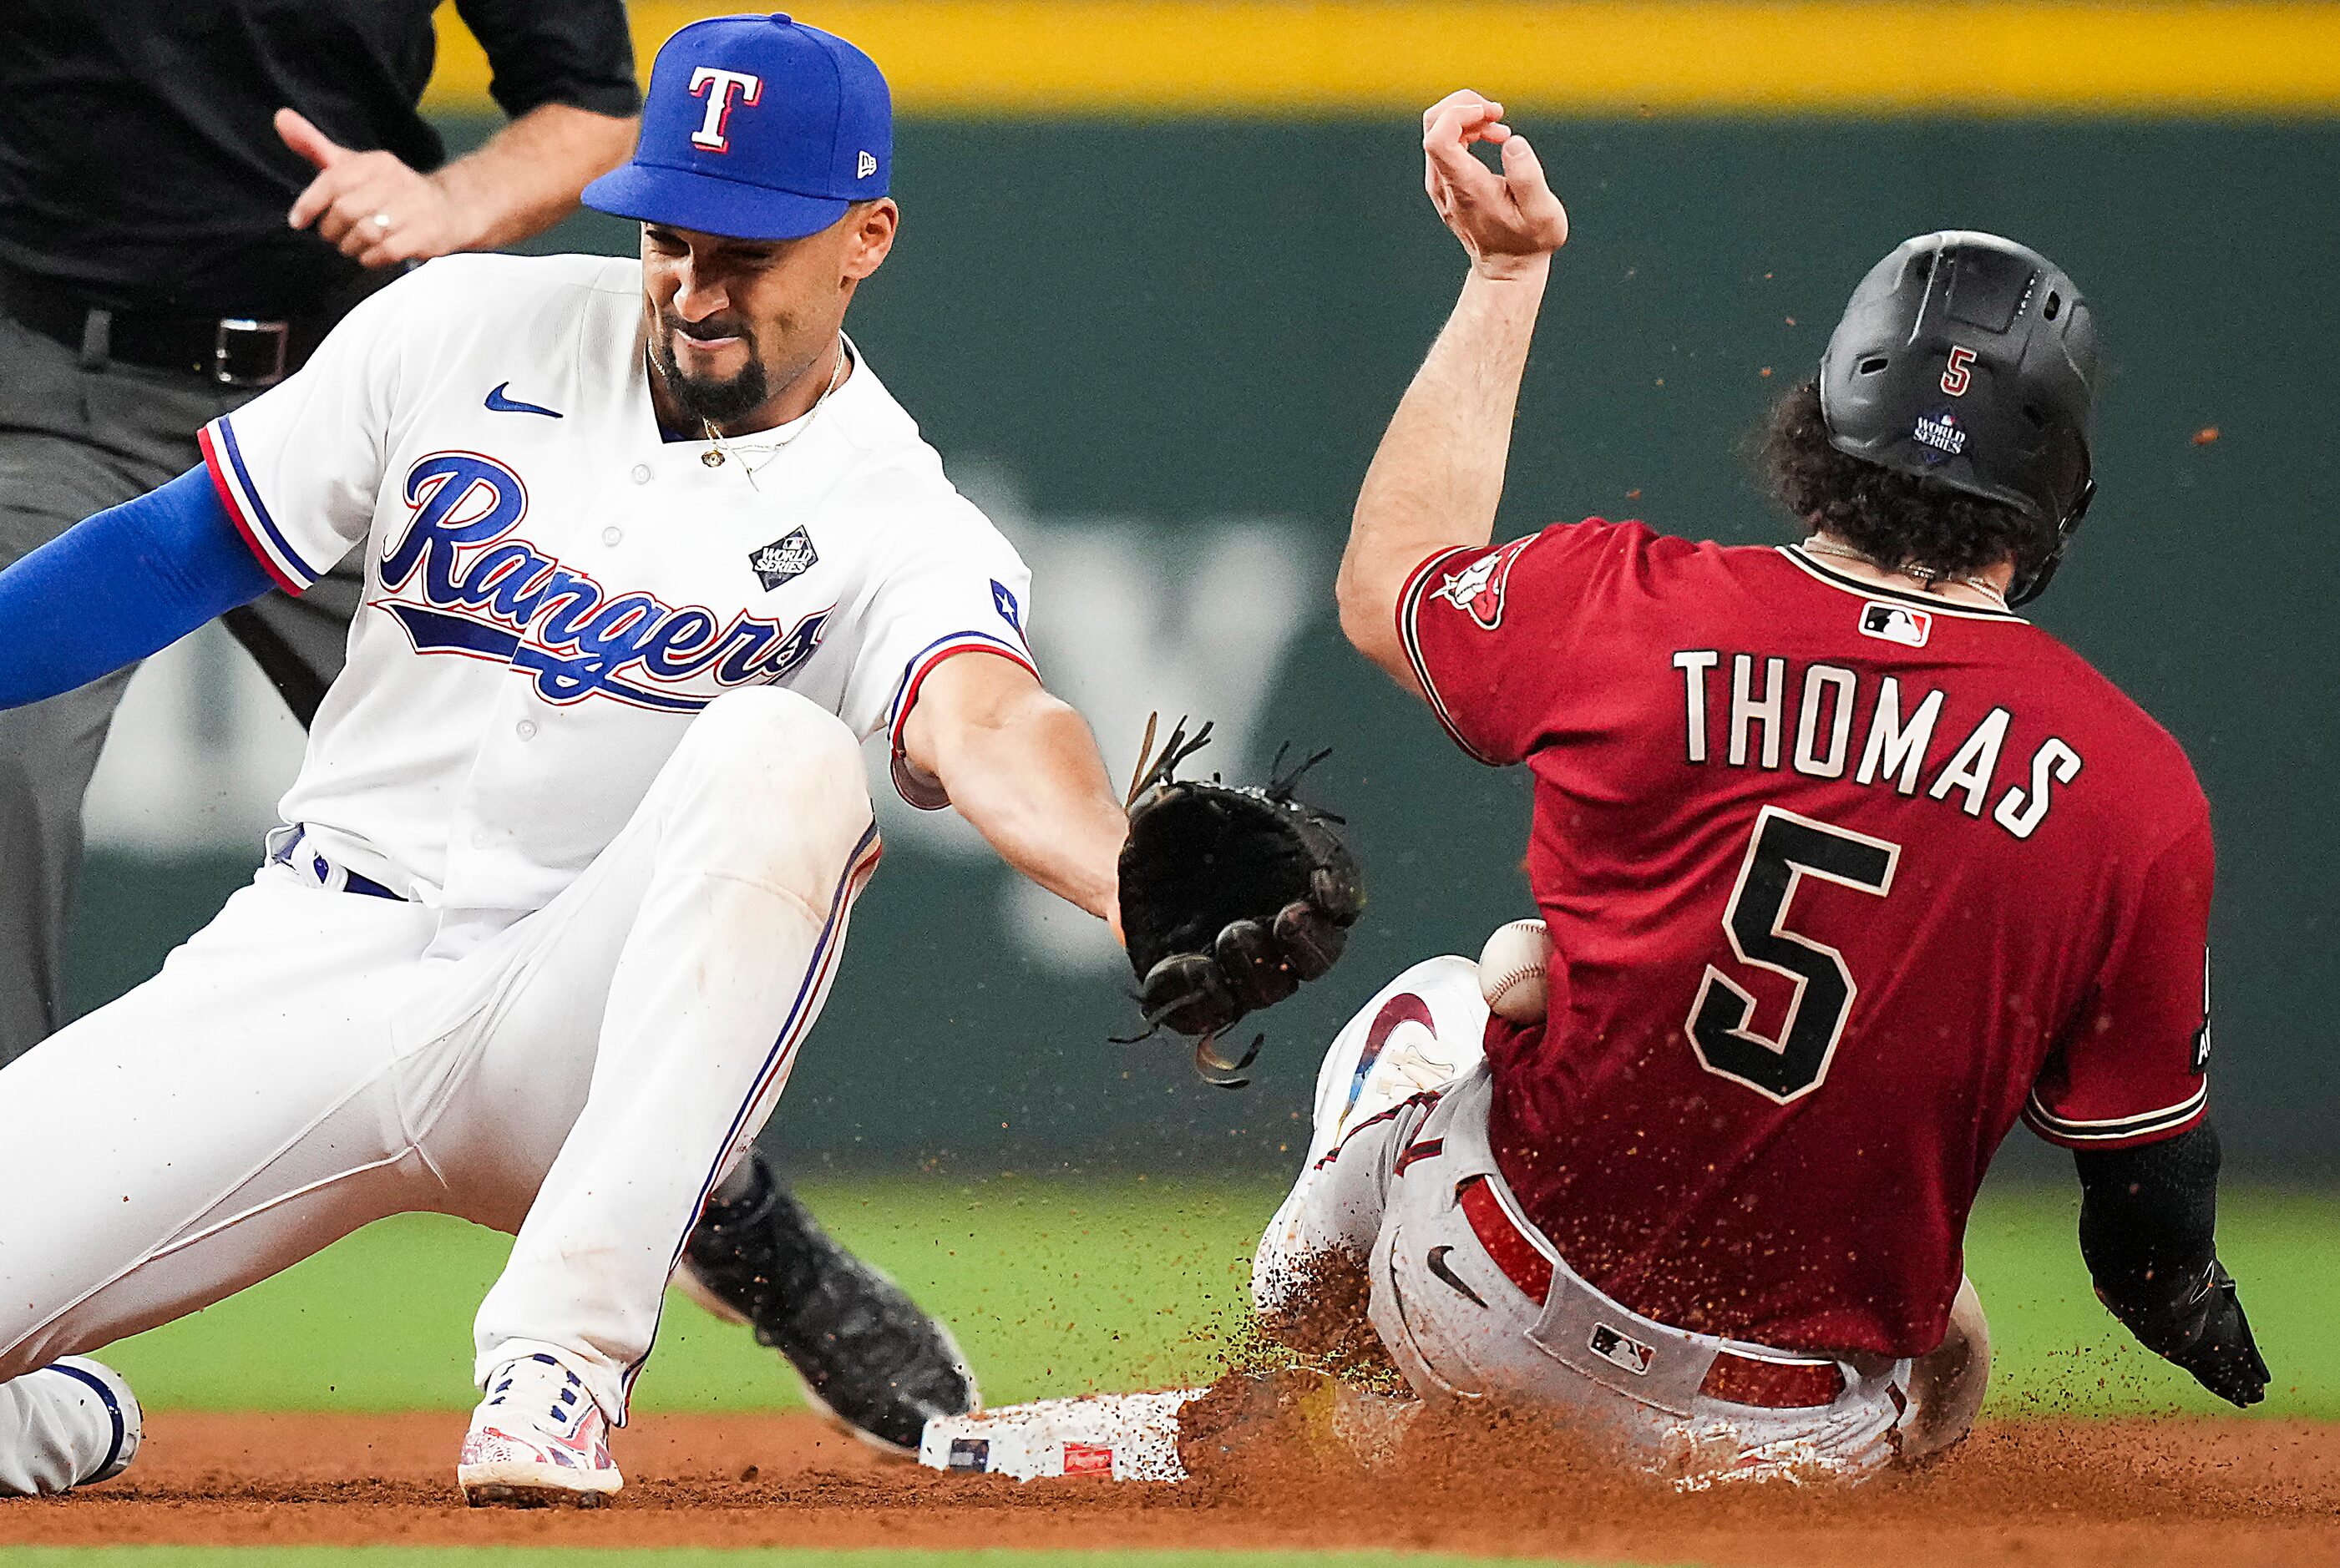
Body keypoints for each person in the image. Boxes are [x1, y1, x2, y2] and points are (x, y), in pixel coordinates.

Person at [0, 15, 1151, 1505]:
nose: (694, 286)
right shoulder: (459, 325)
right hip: (311, 958)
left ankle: (560, 1359)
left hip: (573, 1028)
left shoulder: (895, 507)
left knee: (785, 754)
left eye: (748, 250)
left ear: (866, 237)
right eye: (672, 237)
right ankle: (50, 1416)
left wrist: (1132, 878)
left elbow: (987, 716)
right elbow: (176, 550)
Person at [1249, 90, 2268, 1485]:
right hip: (1780, 1437)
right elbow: (2144, 1215)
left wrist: (1504, 274)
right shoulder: (2132, 788)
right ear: (2058, 489)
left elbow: (1389, 587)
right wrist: (2195, 1314)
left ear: (1822, 418)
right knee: (1947, 1329)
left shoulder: (1627, 604)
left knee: (1439, 1000)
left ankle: (1313, 1361)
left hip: (1470, 1297)